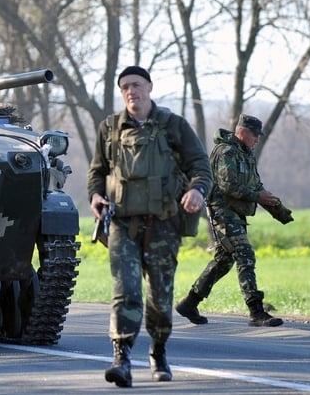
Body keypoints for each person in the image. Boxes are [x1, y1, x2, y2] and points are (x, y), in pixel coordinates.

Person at [87, 65, 212, 388]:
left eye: (137, 85)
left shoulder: (173, 126)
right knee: (125, 291)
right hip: (122, 225)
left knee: (159, 296)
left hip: (163, 225)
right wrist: (96, 196)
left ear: (149, 87)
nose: (132, 91)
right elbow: (97, 172)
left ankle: (158, 351)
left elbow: (200, 165)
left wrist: (197, 190)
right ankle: (122, 358)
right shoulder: (109, 129)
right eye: (126, 86)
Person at [175, 115, 293, 328]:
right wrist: (258, 197)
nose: (257, 139)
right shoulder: (226, 152)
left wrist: (280, 212)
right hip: (222, 212)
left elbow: (256, 186)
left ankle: (189, 303)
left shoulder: (246, 154)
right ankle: (256, 311)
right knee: (245, 255)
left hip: (236, 214)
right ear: (243, 131)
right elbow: (228, 185)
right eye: (255, 135)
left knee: (223, 261)